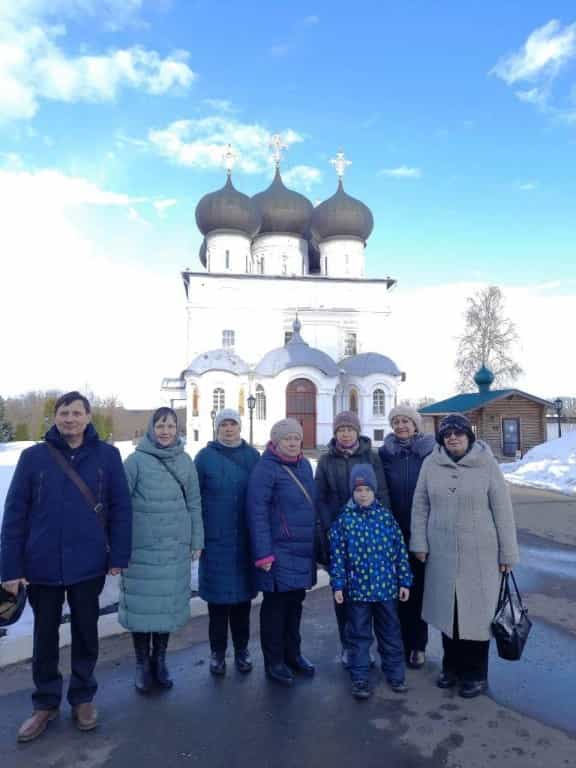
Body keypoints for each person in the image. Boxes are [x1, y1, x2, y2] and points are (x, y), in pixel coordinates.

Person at [0, 392, 132, 742]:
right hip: (41, 566)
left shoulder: (107, 456)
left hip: (88, 565)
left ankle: (83, 697)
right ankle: (44, 703)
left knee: (86, 634)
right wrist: (10, 569)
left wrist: (119, 555)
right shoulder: (33, 458)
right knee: (44, 638)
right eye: (63, 413)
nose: (69, 419)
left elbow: (120, 508)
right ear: (55, 417)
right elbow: (14, 515)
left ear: (88, 417)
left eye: (76, 413)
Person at [410, 414, 519, 698]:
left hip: (480, 554)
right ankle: (452, 668)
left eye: (458, 433)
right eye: (447, 434)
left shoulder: (487, 464)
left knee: (476, 616)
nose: (453, 438)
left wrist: (508, 552)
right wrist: (419, 542)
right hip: (441, 552)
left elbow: (503, 510)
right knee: (449, 612)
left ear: (468, 436)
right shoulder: (430, 464)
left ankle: (475, 674)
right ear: (441, 439)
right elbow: (420, 505)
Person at [118, 407, 203, 694]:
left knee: (166, 604)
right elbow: (120, 506)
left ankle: (160, 660)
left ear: (177, 429)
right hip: (141, 549)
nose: (165, 431)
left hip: (173, 548)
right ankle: (142, 663)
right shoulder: (135, 462)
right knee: (143, 607)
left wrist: (196, 540)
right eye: (160, 425)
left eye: (170, 426)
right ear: (151, 428)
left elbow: (194, 503)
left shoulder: (185, 461)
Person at [329, 464, 412, 700]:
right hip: (358, 593)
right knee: (358, 636)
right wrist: (338, 585)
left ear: (374, 491)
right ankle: (360, 678)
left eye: (367, 489)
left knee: (391, 634)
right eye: (358, 490)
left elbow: (400, 553)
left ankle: (396, 675)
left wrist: (404, 581)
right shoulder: (344, 521)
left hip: (386, 591)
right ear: (352, 493)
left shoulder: (386, 518)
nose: (362, 494)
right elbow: (338, 557)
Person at [315, 410, 390, 666]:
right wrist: (329, 529)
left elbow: (381, 493)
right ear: (335, 433)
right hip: (340, 537)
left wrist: (385, 528)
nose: (345, 434)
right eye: (340, 430)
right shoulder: (326, 461)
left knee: (372, 595)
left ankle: (369, 646)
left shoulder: (371, 457)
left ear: (357, 431)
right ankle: (350, 646)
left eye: (350, 429)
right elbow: (320, 498)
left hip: (370, 538)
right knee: (343, 594)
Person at [246, 418, 316, 686]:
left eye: (296, 438)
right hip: (277, 551)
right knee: (275, 608)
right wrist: (263, 553)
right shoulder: (266, 469)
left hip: (301, 550)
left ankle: (293, 654)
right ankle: (274, 661)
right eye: (287, 438)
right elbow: (257, 512)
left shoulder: (305, 466)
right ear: (275, 441)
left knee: (295, 606)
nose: (292, 442)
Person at [195, 409, 260, 676]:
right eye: (224, 425)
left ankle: (242, 651)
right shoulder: (204, 458)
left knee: (243, 604)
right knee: (218, 606)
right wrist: (197, 537)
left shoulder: (252, 457)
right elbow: (194, 500)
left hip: (245, 540)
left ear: (240, 427)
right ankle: (217, 653)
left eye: (233, 424)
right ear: (216, 428)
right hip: (216, 541)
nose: (229, 429)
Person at [378, 406, 435, 669]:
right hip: (394, 531)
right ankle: (398, 643)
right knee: (397, 591)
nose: (401, 426)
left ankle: (418, 645)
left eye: (406, 421)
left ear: (415, 425)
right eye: (396, 422)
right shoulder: (385, 454)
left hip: (423, 531)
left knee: (419, 590)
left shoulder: (430, 452)